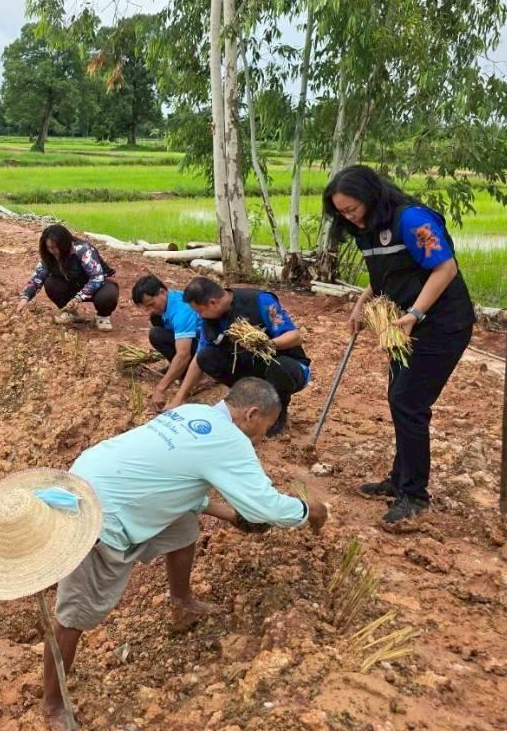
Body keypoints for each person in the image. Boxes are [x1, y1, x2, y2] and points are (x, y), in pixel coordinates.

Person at [48, 378, 327, 730]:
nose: (262, 438)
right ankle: (53, 704)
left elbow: (172, 481)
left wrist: (225, 513)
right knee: (74, 616)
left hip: (92, 476)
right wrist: (310, 511)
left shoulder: (194, 412)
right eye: (265, 429)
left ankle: (181, 602)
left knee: (183, 530)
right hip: (100, 516)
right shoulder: (230, 441)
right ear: (251, 414)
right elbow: (264, 507)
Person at [323, 164, 475, 525]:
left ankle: (415, 496)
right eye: (341, 212)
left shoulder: (412, 219)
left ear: (371, 197)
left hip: (440, 324)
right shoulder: (368, 229)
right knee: (400, 398)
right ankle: (398, 479)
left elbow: (445, 269)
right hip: (404, 326)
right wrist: (361, 305)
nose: (349, 217)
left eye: (352, 209)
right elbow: (384, 278)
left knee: (408, 401)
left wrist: (416, 314)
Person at [168, 277, 311, 437]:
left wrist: (266, 345)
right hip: (250, 368)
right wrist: (179, 398)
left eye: (200, 311)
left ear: (213, 303)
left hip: (287, 367)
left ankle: (278, 412)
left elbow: (295, 336)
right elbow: (198, 359)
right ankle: (247, 401)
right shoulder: (210, 321)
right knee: (206, 357)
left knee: (280, 367)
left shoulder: (258, 300)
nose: (200, 317)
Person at [16, 224, 118, 331]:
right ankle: (70, 313)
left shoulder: (83, 249)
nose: (53, 251)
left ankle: (102, 316)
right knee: (51, 283)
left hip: (99, 286)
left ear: (64, 244)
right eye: (49, 248)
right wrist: (25, 297)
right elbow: (37, 277)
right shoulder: (49, 256)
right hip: (74, 284)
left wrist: (77, 298)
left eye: (55, 247)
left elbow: (96, 278)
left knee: (108, 294)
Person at [131, 274, 205, 411]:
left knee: (157, 334)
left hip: (206, 347)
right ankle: (179, 370)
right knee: (157, 328)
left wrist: (161, 388)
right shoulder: (169, 301)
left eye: (152, 305)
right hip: (192, 341)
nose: (150, 311)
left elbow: (184, 354)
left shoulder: (181, 311)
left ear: (162, 292)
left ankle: (198, 376)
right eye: (146, 308)